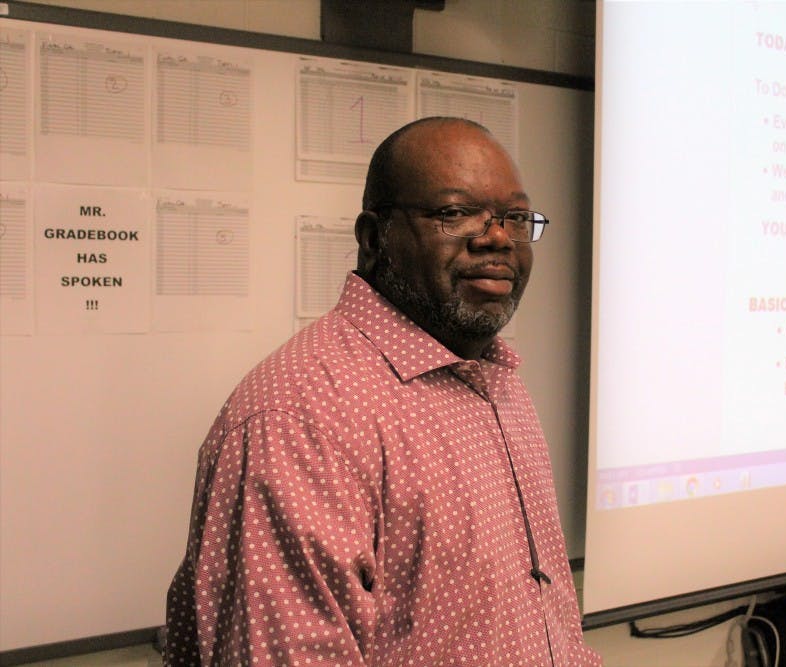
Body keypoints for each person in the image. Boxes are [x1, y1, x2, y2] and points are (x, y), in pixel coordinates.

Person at [164, 117, 602, 666]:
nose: (496, 238)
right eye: (454, 213)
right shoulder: (299, 420)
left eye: (514, 218)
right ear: (374, 239)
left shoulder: (494, 377)